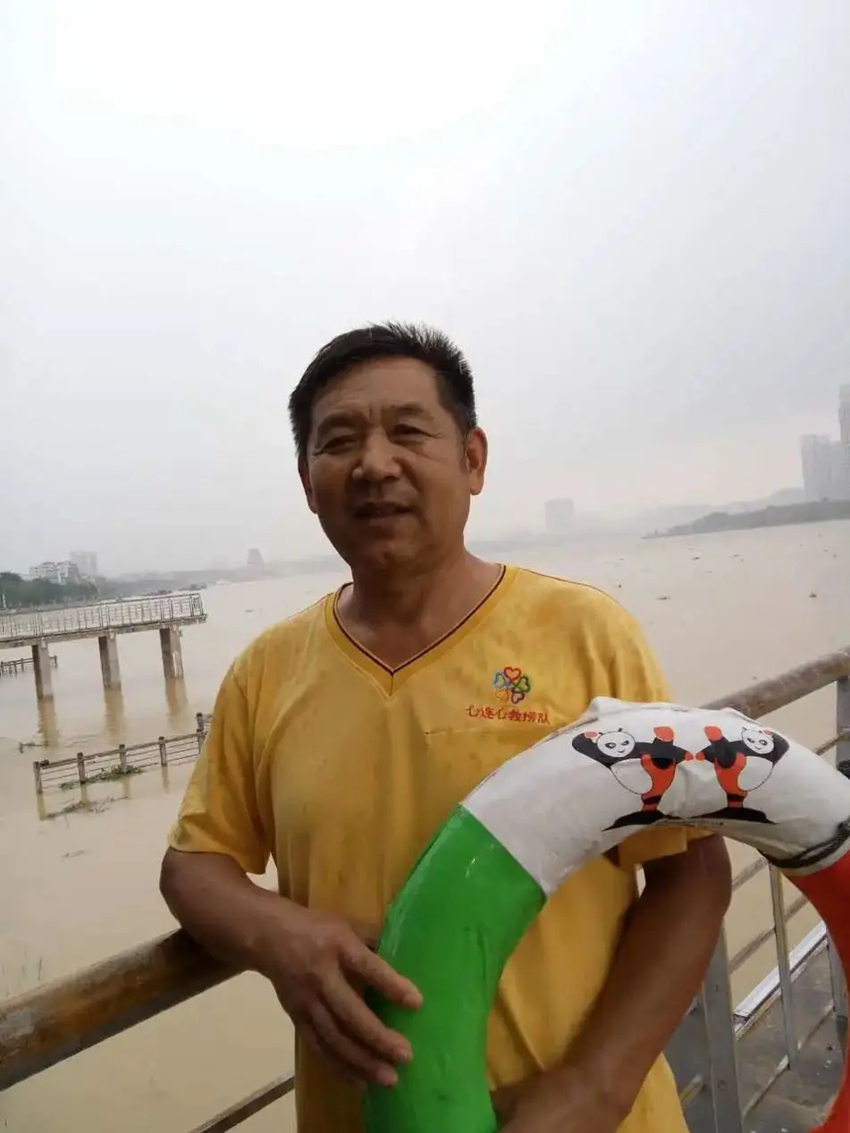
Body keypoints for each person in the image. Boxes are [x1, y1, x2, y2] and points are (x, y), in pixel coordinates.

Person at [160, 322, 732, 1133]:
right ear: (308, 482)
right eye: (339, 441)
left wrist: (592, 1087)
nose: (374, 464)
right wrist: (277, 934)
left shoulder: (585, 635)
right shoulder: (267, 671)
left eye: (408, 430)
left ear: (472, 459)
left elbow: (690, 872)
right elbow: (193, 864)